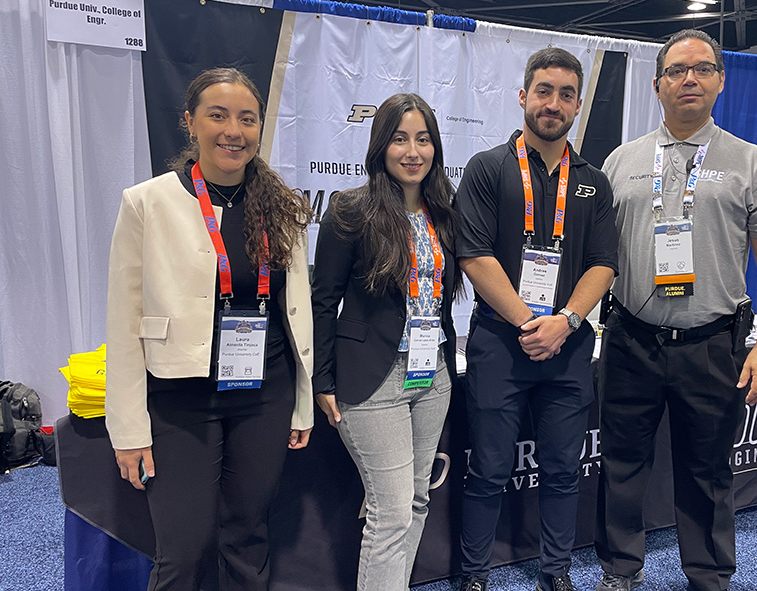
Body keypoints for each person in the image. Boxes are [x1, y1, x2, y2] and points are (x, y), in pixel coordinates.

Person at [593, 30, 757, 591]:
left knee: (707, 470)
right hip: (631, 338)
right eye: (677, 71)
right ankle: (619, 570)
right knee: (622, 465)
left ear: (720, 81)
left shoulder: (751, 164)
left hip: (711, 343)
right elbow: (599, 256)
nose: (690, 79)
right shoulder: (621, 161)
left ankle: (707, 575)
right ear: (658, 85)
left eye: (702, 69)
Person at [105, 68, 315, 591]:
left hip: (263, 392)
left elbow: (298, 312)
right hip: (181, 397)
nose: (233, 130)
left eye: (247, 118)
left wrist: (302, 403)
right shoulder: (146, 203)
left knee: (247, 537)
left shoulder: (283, 206)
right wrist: (128, 431)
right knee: (184, 548)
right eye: (217, 115)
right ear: (190, 123)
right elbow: (125, 324)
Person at [455, 47, 618, 591]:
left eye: (566, 95)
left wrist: (565, 321)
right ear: (524, 96)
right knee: (489, 469)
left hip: (569, 346)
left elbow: (604, 264)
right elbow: (475, 257)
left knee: (561, 469)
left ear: (577, 106)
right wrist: (532, 323)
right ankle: (474, 573)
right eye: (544, 91)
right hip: (502, 344)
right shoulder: (487, 168)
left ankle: (556, 571)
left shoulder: (593, 181)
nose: (554, 104)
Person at [311, 93, 460, 591]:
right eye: (400, 139)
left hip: (433, 372)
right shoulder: (350, 210)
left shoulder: (445, 210)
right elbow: (321, 300)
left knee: (418, 500)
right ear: (381, 146)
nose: (412, 151)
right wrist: (322, 378)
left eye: (423, 139)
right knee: (391, 511)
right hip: (371, 378)